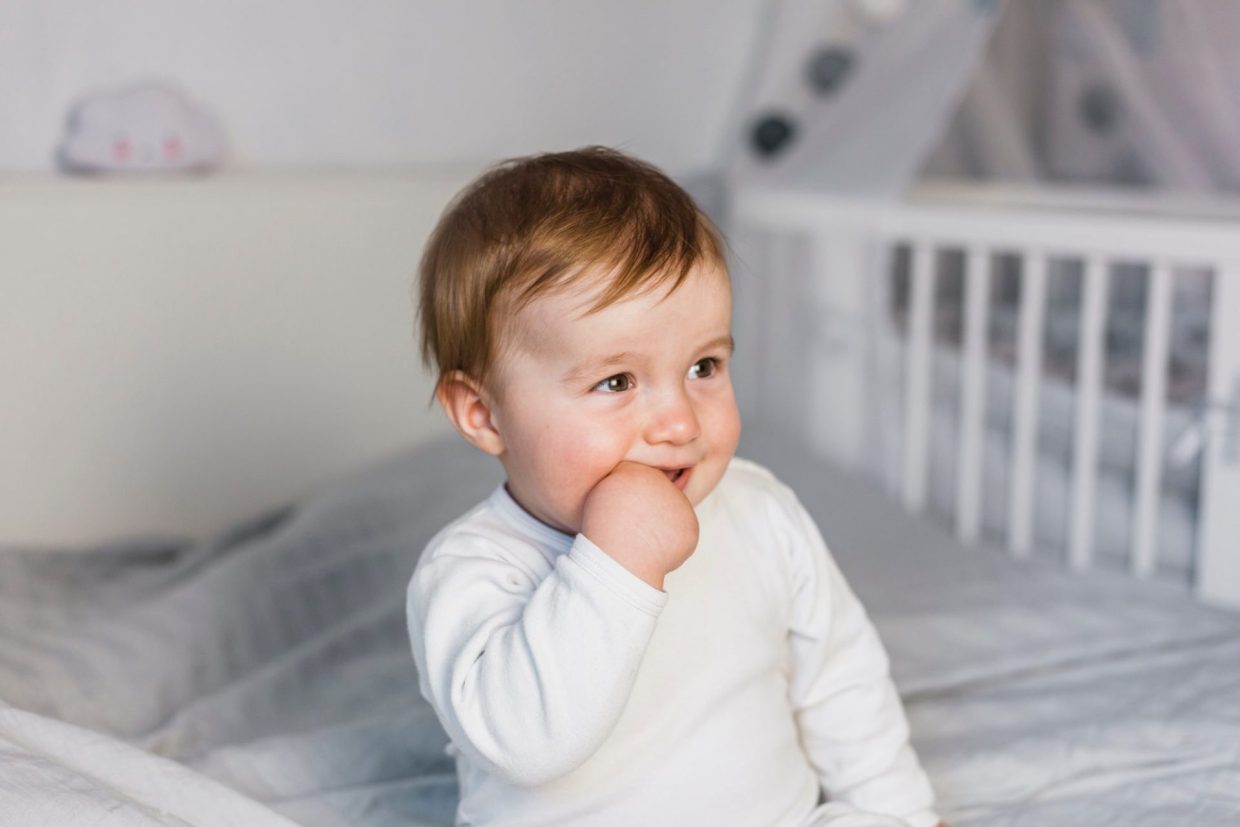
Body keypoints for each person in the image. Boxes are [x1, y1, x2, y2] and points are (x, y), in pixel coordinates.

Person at [407, 147, 942, 827]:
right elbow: (526, 743)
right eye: (617, 381)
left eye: (704, 365)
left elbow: (841, 676)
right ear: (484, 414)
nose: (679, 420)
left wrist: (897, 808)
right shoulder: (471, 571)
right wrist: (616, 561)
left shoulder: (760, 511)